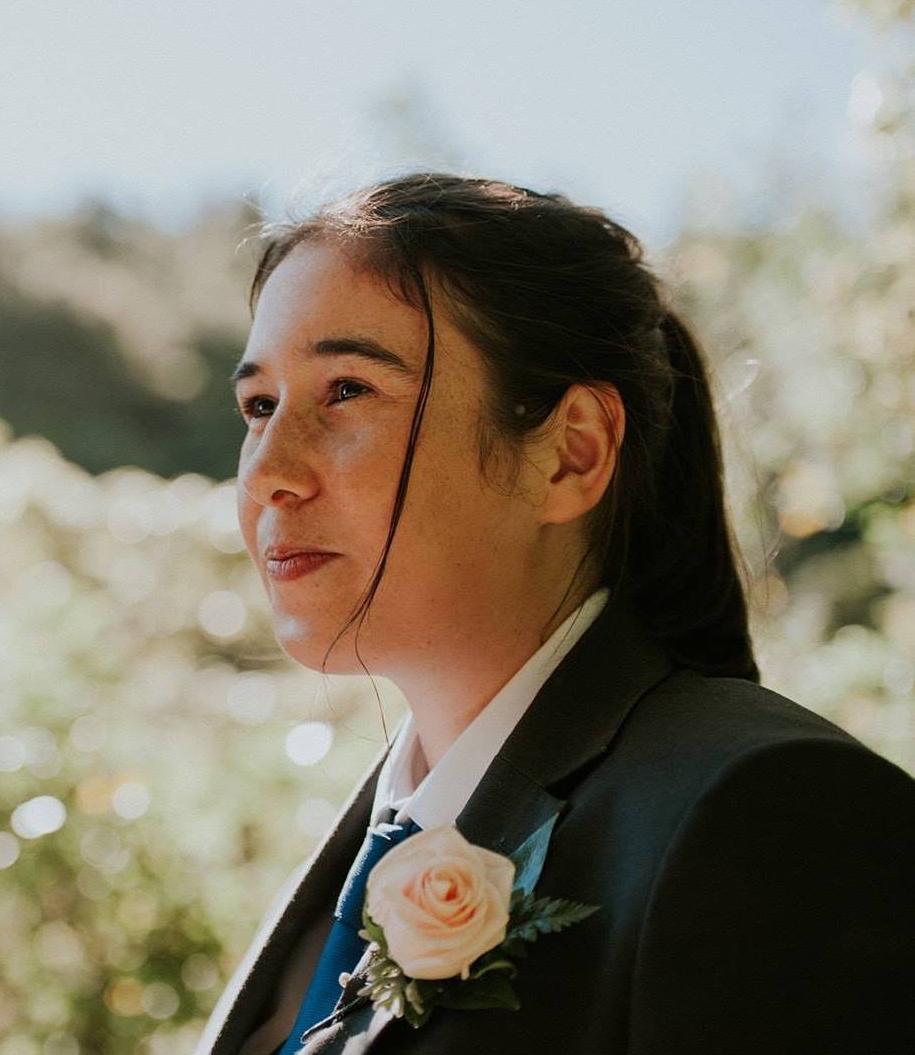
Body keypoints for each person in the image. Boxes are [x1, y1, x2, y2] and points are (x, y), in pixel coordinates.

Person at [195, 173, 915, 1055]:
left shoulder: (771, 817)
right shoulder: (372, 840)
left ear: (571, 454)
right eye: (258, 405)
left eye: (346, 389)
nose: (271, 469)